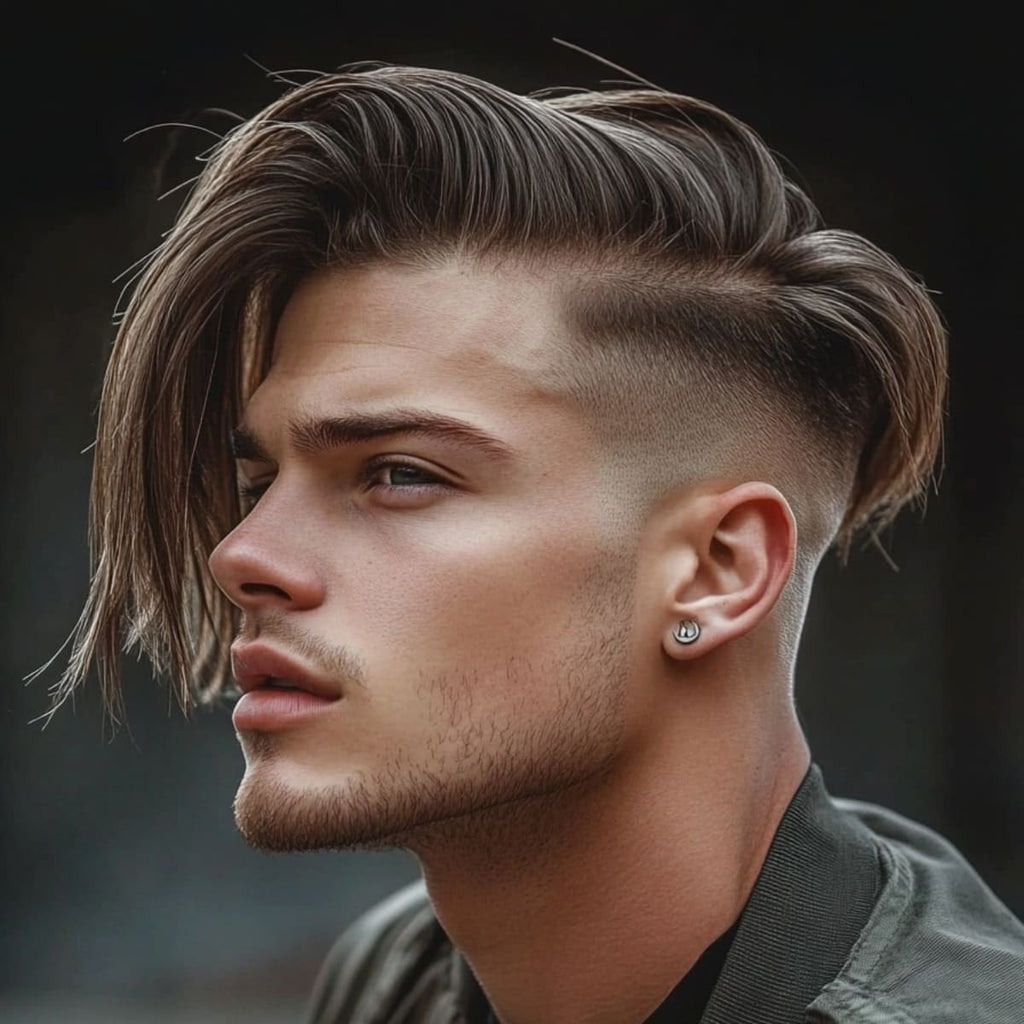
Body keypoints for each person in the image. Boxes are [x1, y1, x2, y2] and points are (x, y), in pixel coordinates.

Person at [53, 63, 1023, 1022]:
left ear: (715, 571)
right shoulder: (394, 979)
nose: (243, 553)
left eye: (399, 473)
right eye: (259, 482)